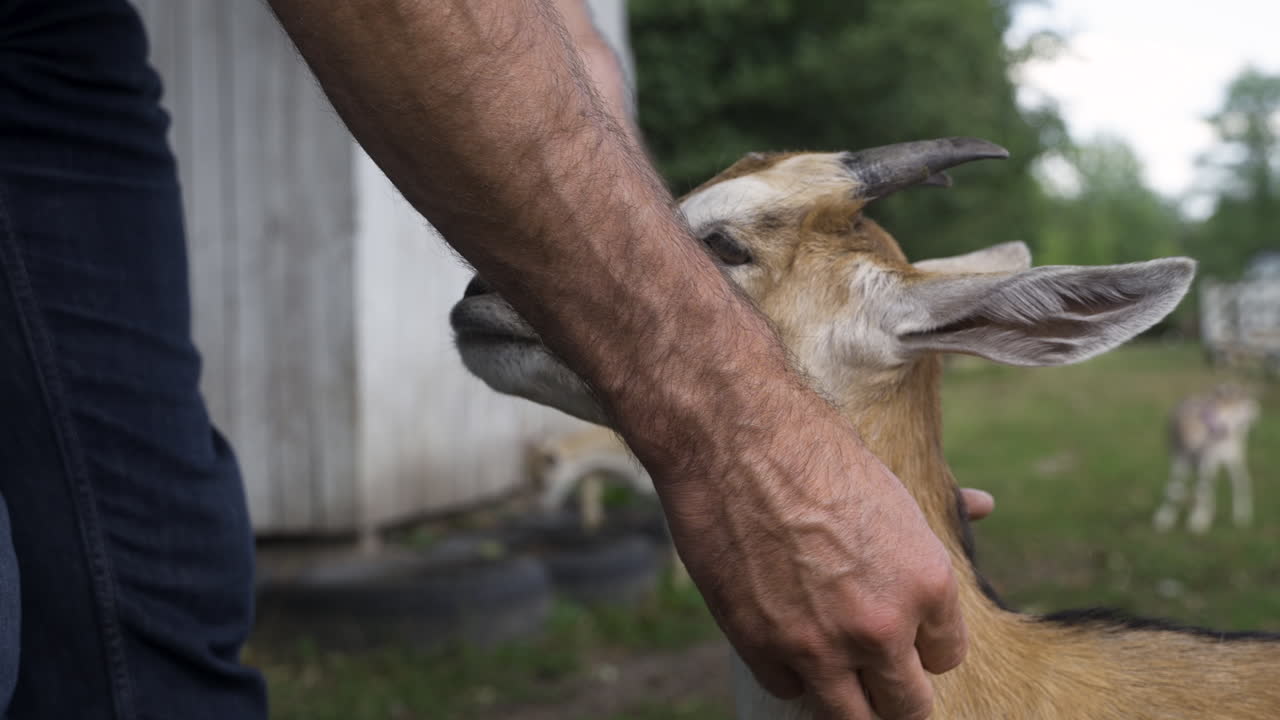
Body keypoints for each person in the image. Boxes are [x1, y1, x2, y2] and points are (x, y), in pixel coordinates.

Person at [0, 1, 992, 718]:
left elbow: (562, 50)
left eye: (721, 259)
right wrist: (730, 433)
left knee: (149, 594)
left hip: (57, 43)